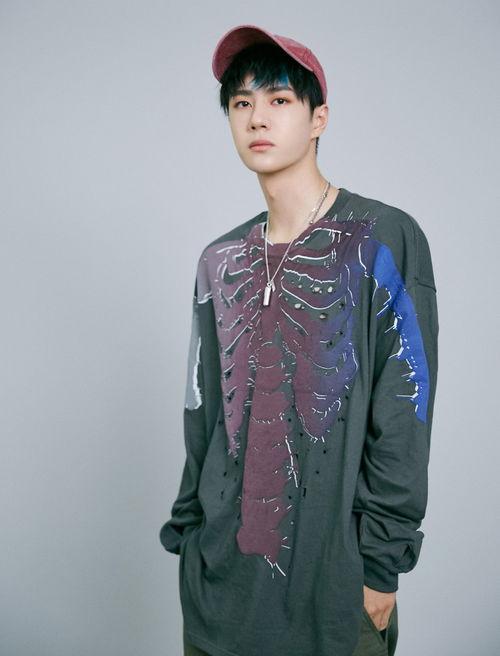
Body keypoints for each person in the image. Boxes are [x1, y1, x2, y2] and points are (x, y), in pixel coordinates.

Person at [159, 24, 439, 656]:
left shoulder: (383, 239)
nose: (257, 117)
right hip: (218, 590)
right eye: (242, 102)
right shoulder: (218, 260)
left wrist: (381, 566)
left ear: (319, 118)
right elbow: (203, 415)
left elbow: (406, 410)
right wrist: (191, 538)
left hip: (333, 589)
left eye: (279, 99)